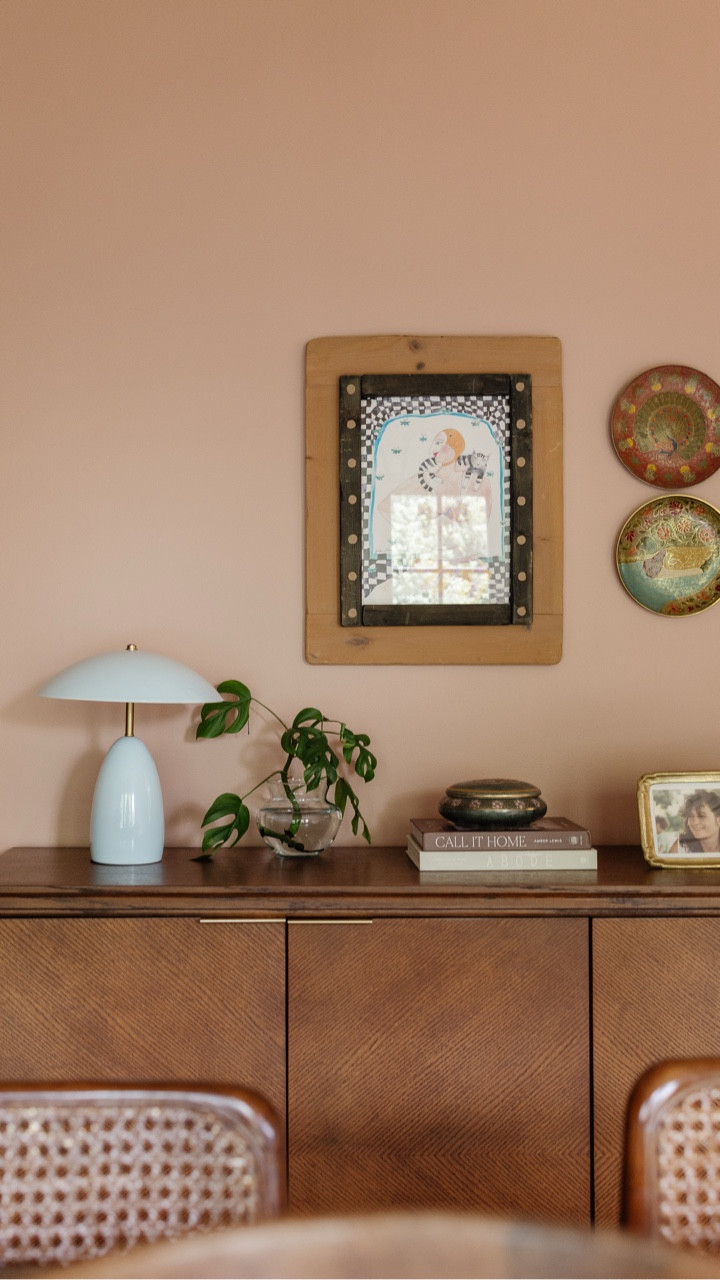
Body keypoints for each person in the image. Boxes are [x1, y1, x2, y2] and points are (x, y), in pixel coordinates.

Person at [670, 790, 720, 855]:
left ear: (718, 820)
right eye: (690, 816)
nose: (695, 822)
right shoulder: (680, 848)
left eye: (702, 816)